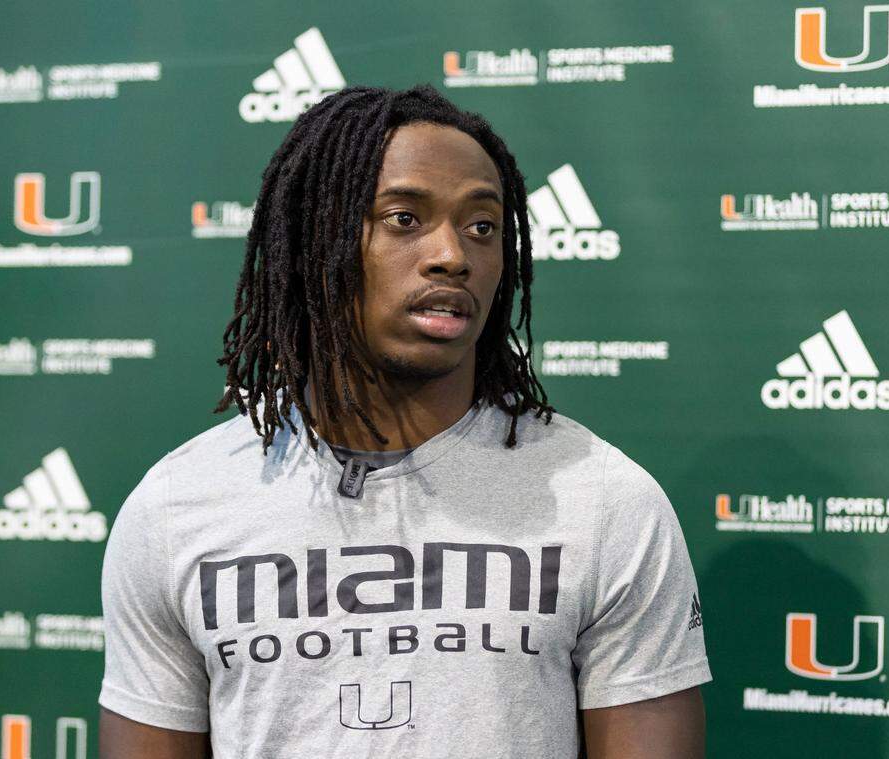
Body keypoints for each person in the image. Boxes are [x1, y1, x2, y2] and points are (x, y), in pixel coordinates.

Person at [98, 84, 711, 759]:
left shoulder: (604, 502)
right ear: (315, 243)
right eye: (404, 218)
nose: (453, 254)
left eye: (482, 225)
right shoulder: (177, 508)